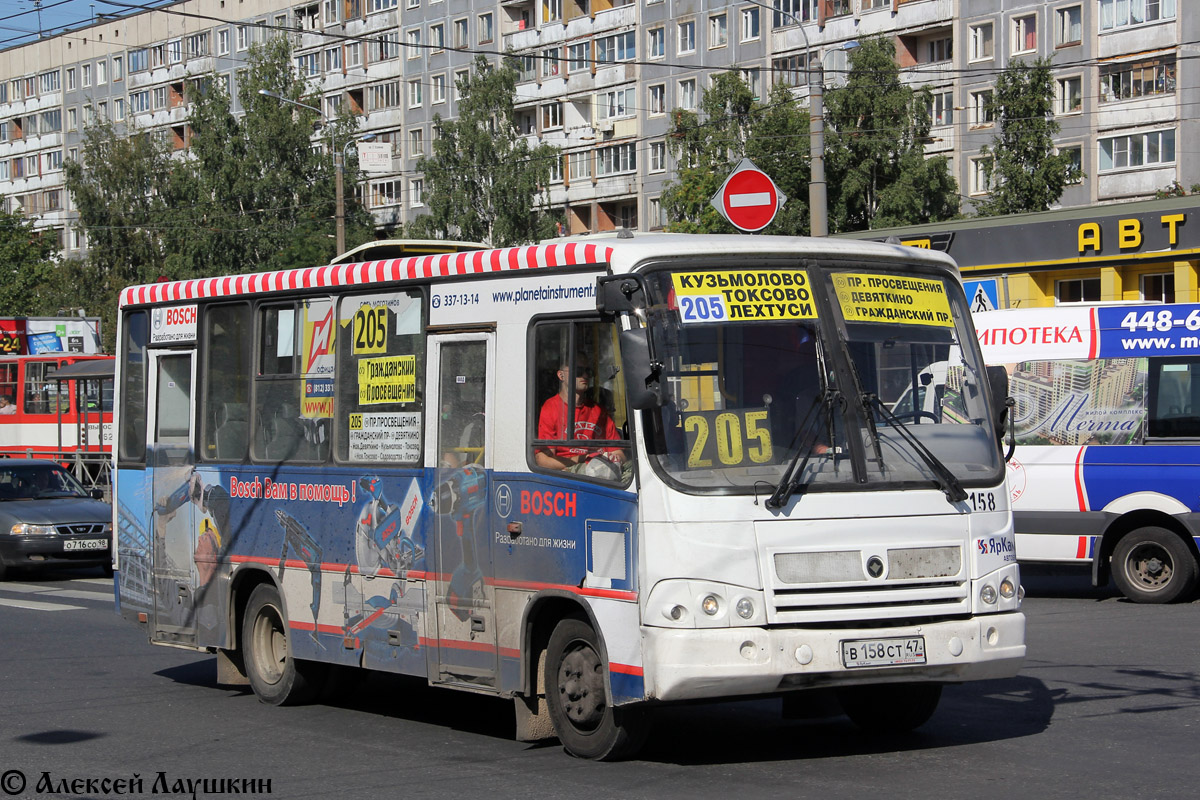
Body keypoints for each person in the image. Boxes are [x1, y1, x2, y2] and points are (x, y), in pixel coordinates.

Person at [536, 358, 627, 473]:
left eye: (588, 371)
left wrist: (614, 458)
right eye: (578, 371)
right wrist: (582, 461)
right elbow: (542, 460)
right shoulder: (550, 408)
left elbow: (619, 453)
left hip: (601, 471)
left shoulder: (599, 411)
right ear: (561, 375)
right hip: (570, 476)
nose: (585, 375)